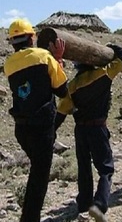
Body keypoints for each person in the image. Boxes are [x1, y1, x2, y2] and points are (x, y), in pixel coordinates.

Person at [54, 43, 122, 222]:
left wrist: (49, 133)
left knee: (84, 167)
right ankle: (99, 205)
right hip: (98, 128)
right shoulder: (103, 74)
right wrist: (108, 48)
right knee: (106, 168)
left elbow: (61, 113)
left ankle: (83, 204)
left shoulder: (71, 86)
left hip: (80, 130)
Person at [3, 19, 68, 222]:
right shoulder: (44, 56)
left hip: (22, 129)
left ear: (13, 42)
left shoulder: (9, 64)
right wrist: (57, 61)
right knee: (39, 177)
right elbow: (62, 91)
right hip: (41, 127)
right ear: (32, 38)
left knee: (36, 172)